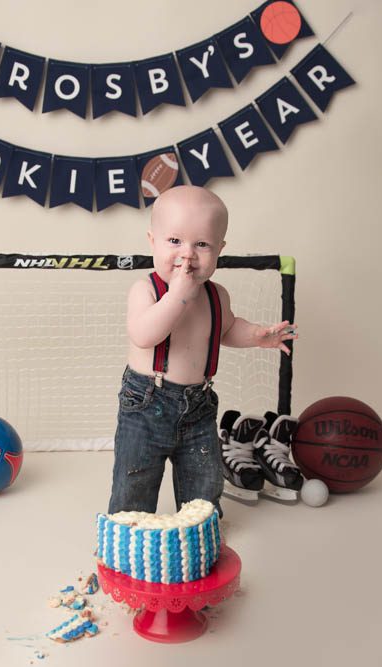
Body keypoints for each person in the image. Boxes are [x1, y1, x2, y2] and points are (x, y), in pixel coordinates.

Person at [107, 185, 297, 516]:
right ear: (153, 241)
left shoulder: (216, 295)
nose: (188, 254)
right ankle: (128, 533)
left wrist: (256, 335)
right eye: (175, 241)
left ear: (219, 249)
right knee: (135, 478)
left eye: (202, 244)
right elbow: (144, 334)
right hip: (146, 403)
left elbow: (226, 328)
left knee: (204, 481)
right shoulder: (146, 290)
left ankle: (198, 531)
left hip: (198, 407)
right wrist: (179, 294)